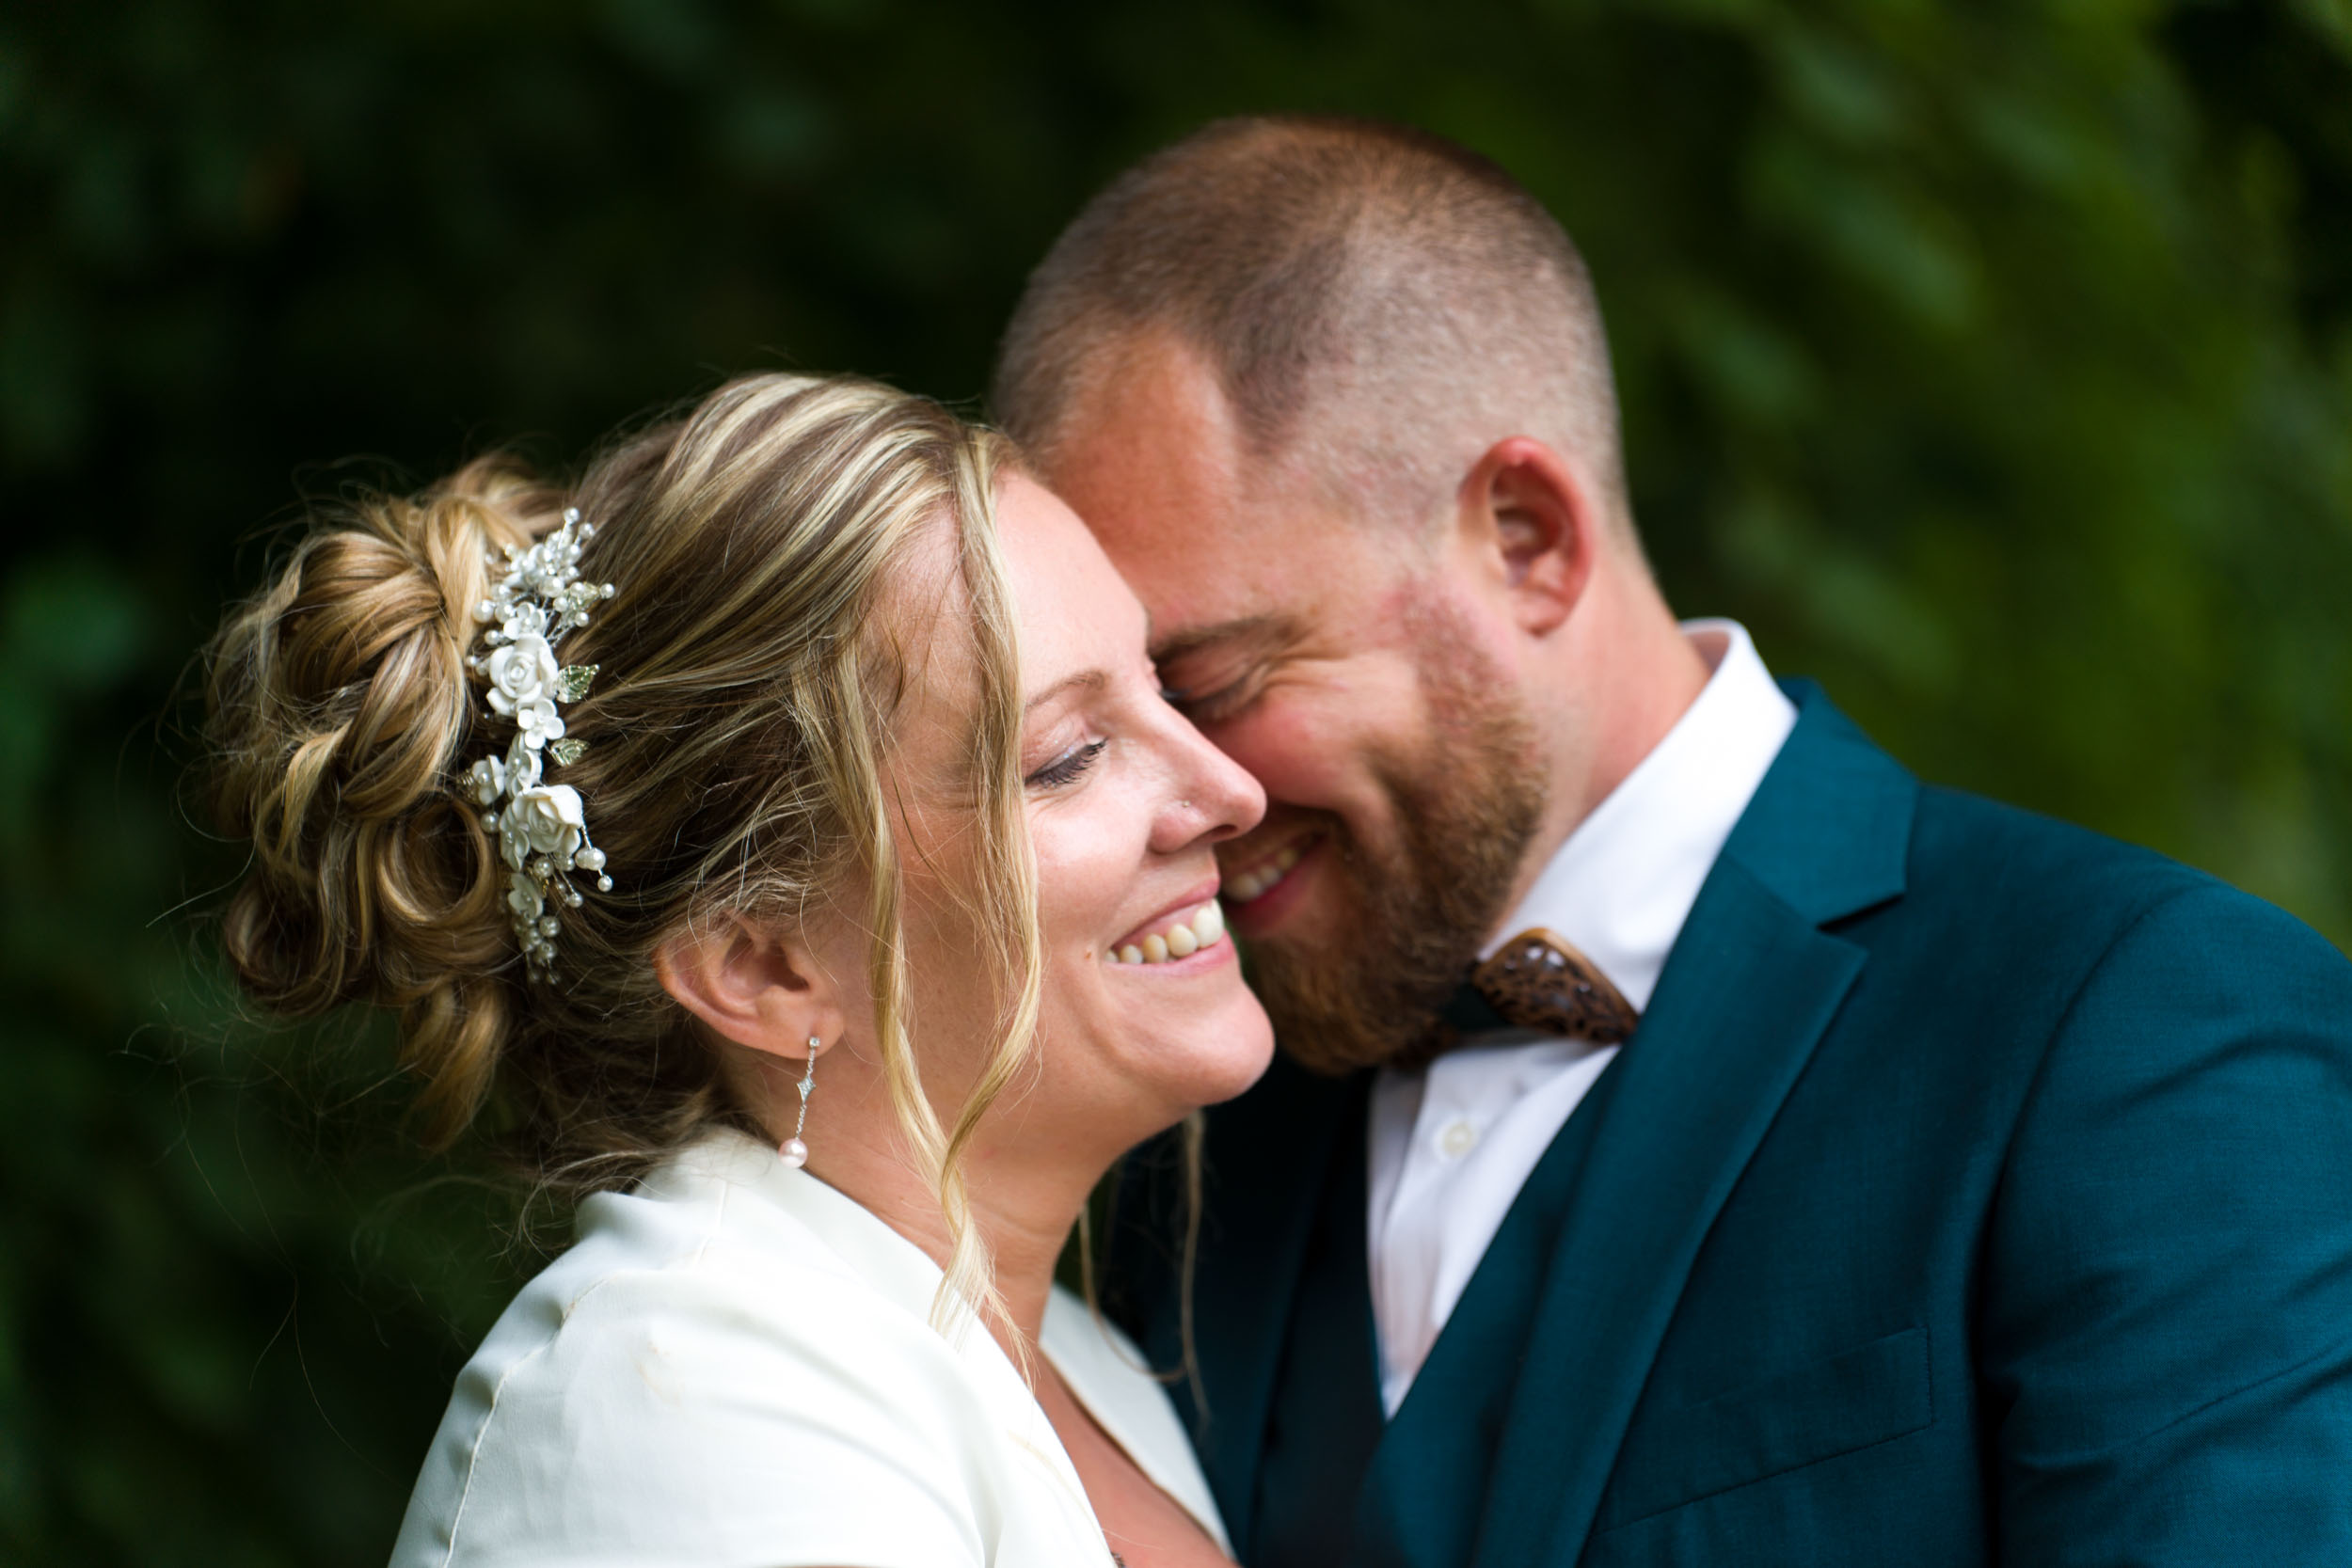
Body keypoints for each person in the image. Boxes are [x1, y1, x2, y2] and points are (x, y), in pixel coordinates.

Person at [992, 116, 2352, 1564]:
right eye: (1090, 726)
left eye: (1211, 685)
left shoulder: (2132, 1025)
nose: (1175, 796)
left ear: (1526, 536)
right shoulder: (1172, 1127)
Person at [202, 372, 1269, 1567]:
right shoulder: (690, 1401)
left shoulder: (1081, 1358)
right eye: (1068, 757)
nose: (1232, 793)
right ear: (761, 966)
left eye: (1165, 688)